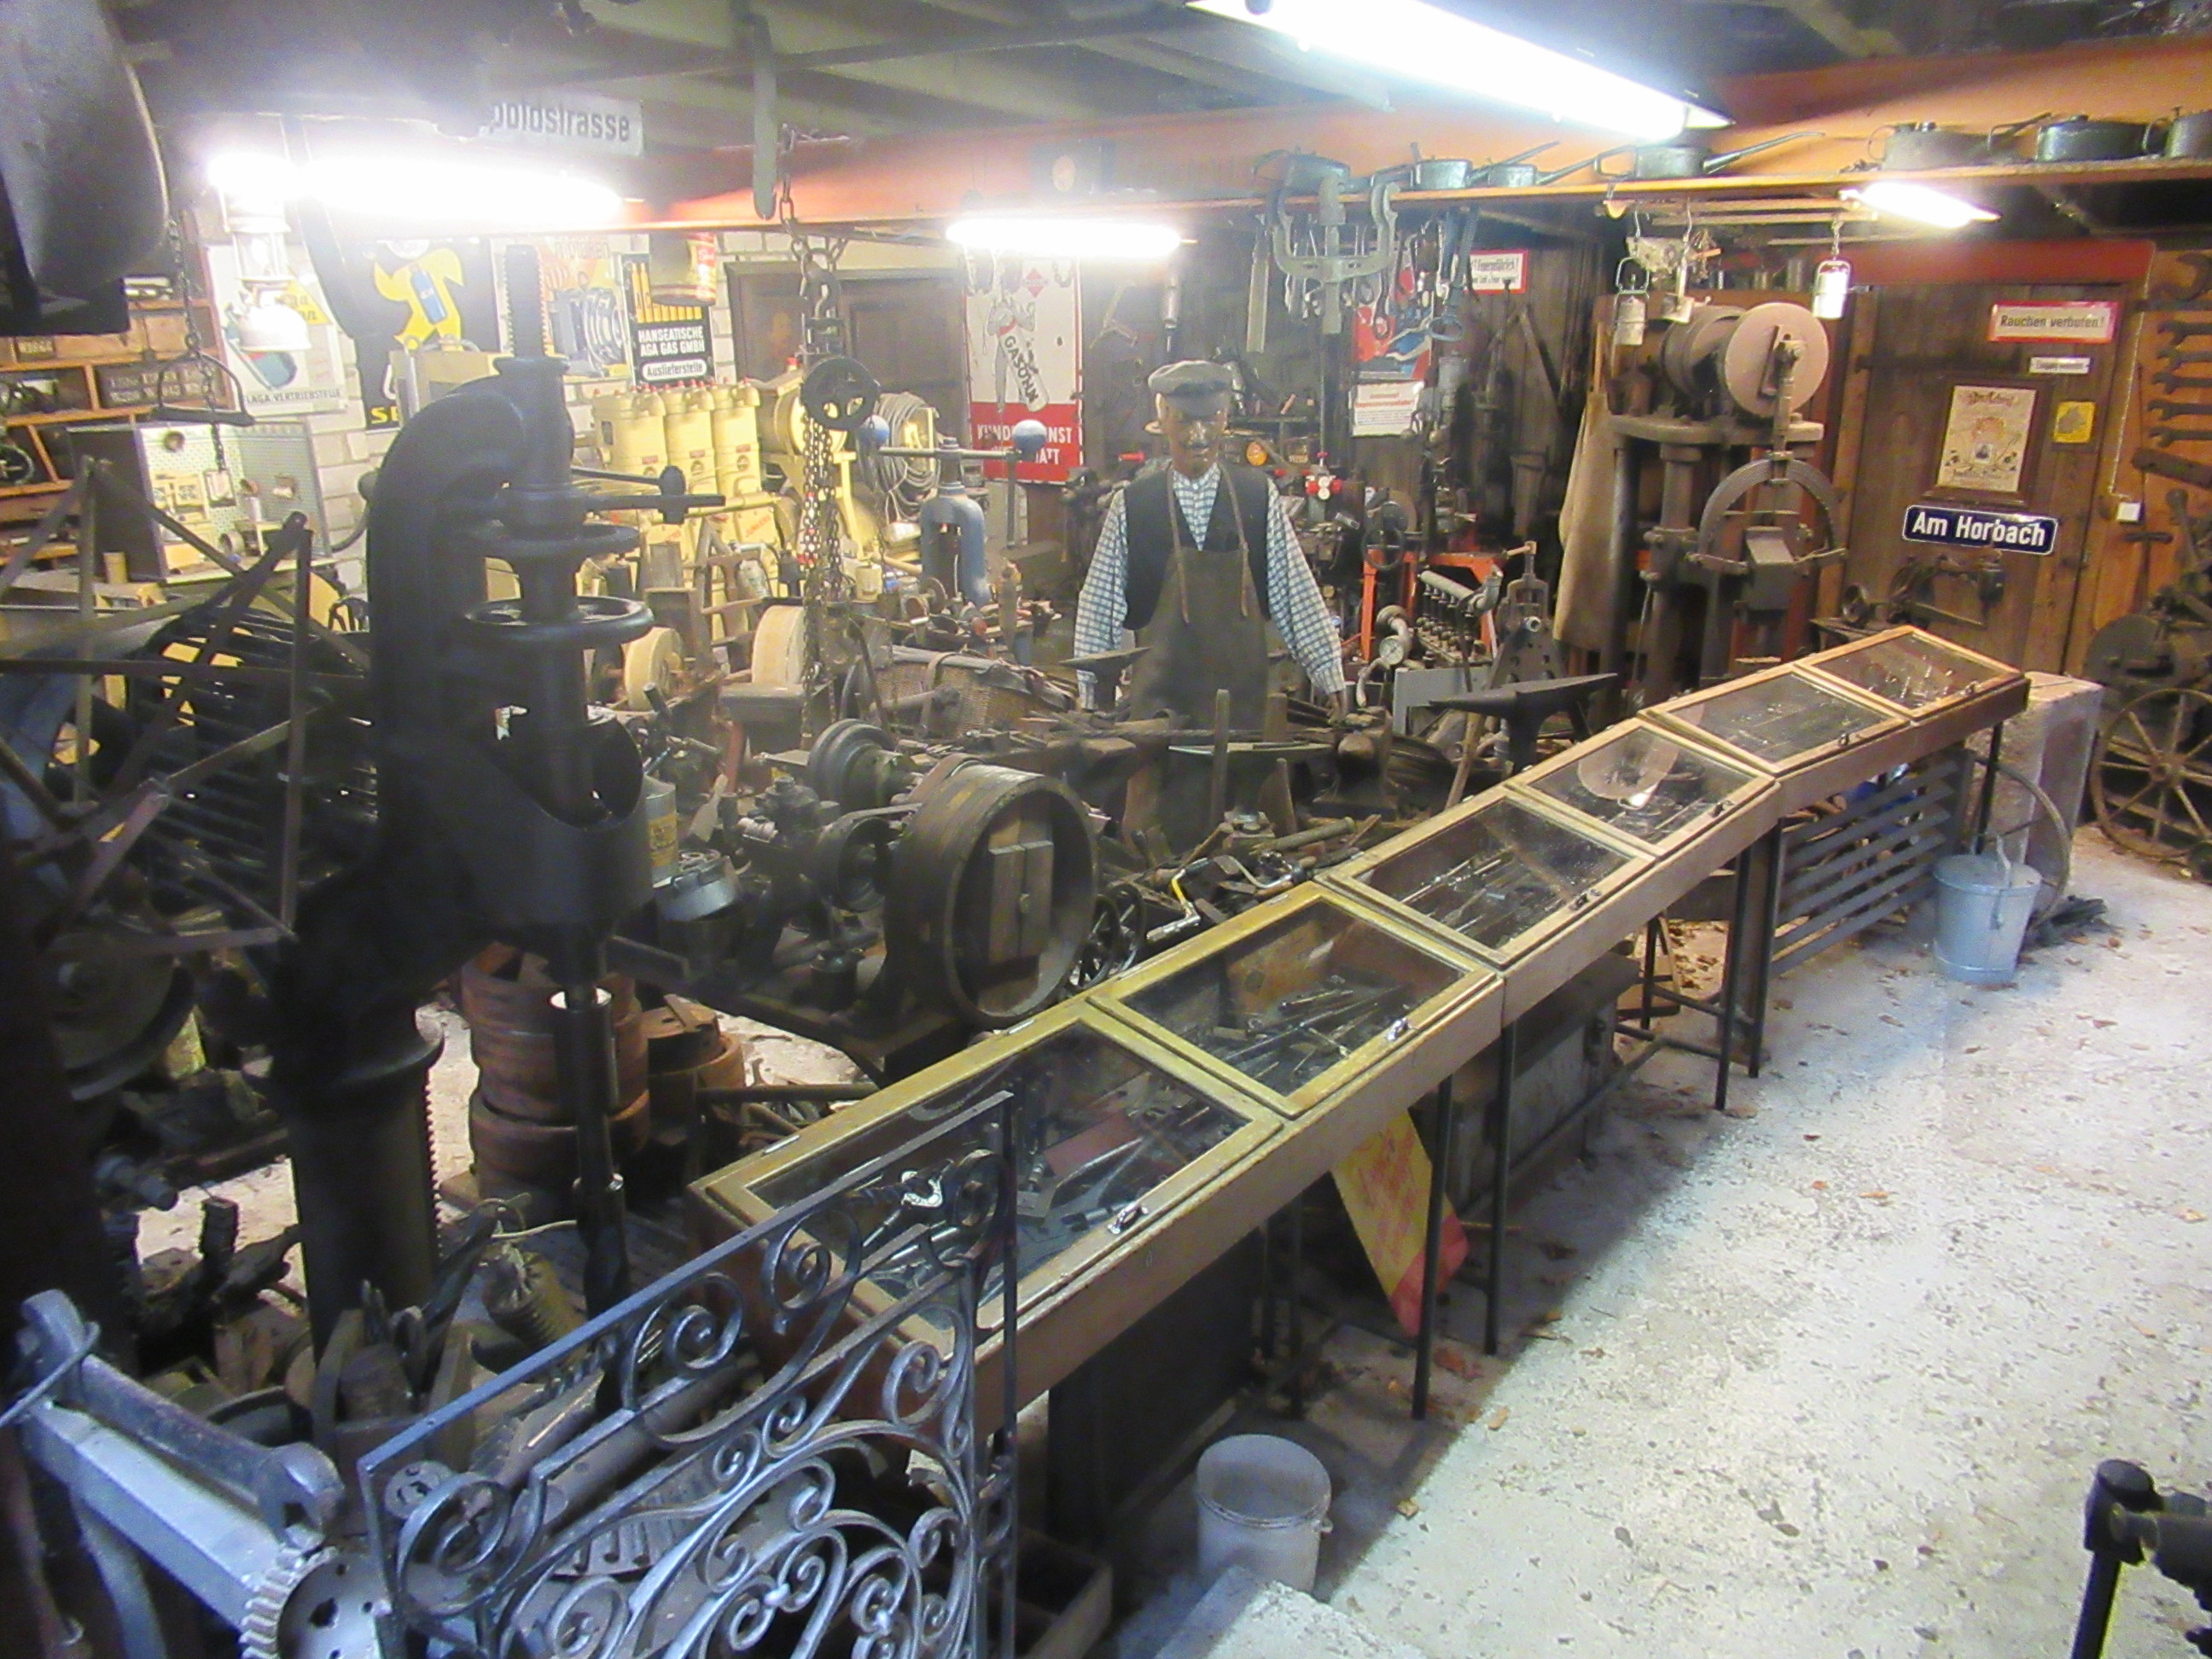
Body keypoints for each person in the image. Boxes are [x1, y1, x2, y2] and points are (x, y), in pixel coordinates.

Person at [1075, 360, 1346, 726]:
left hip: (1243, 722)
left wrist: (1331, 679)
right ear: (1162, 418)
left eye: (1210, 420)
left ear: (1225, 419)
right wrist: (1092, 699)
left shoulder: (1257, 497)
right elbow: (1099, 608)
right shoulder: (1134, 505)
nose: (1198, 436)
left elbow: (1296, 597)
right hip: (1155, 726)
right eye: (1185, 420)